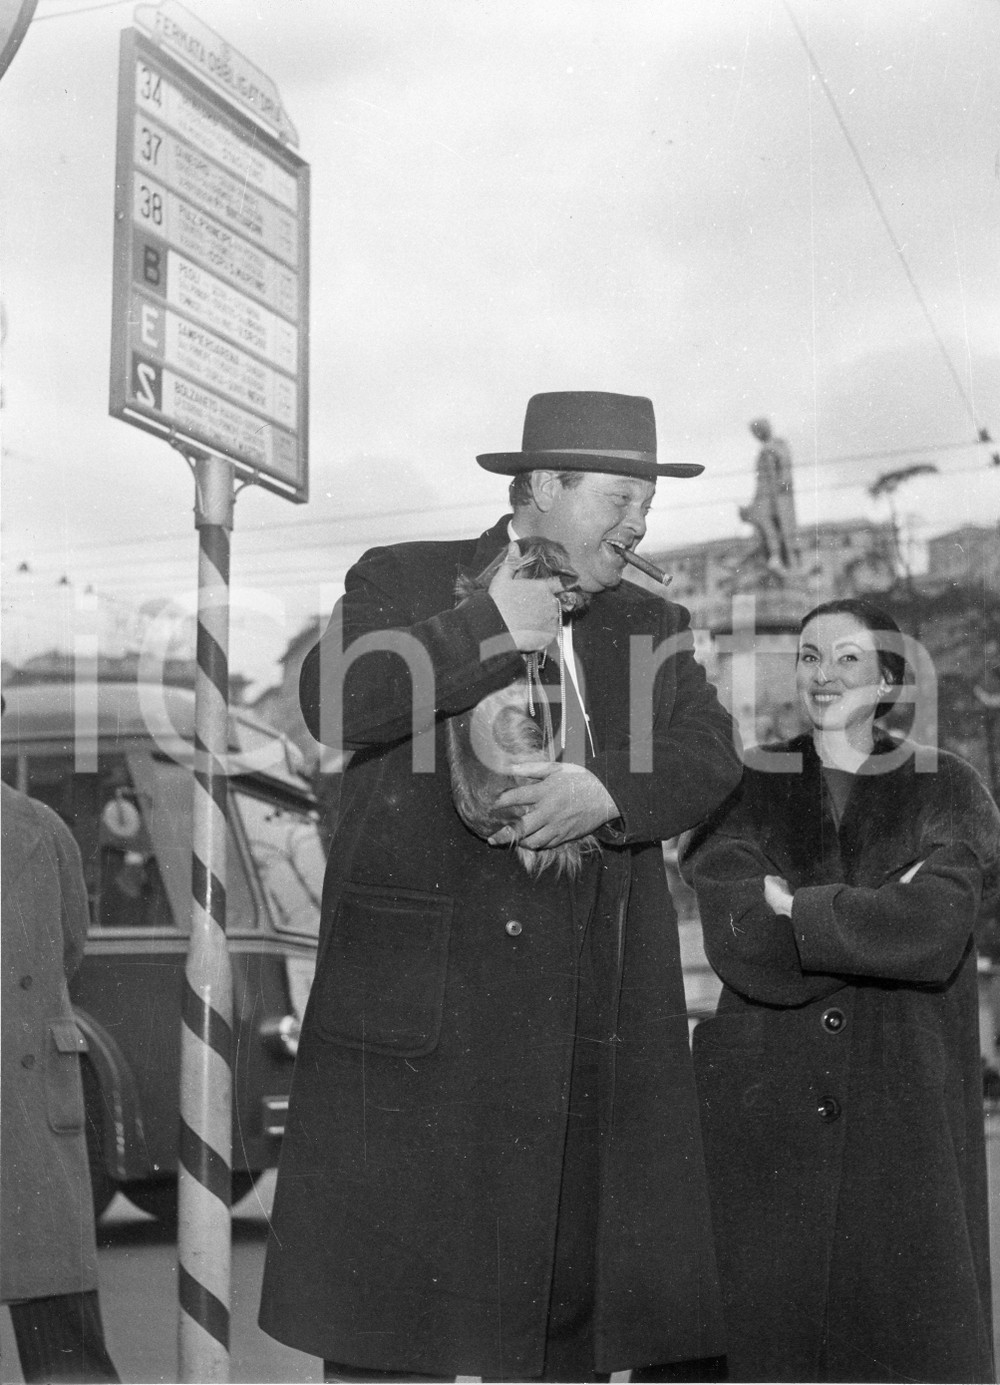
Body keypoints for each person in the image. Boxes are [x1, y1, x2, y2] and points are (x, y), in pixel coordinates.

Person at [259, 390, 742, 1382]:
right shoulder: (404, 578)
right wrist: (489, 626)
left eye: (646, 503)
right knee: (396, 1344)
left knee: (563, 1343)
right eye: (618, 498)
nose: (637, 524)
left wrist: (608, 791)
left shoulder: (652, 621)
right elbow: (334, 701)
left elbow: (711, 753)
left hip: (586, 1041)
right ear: (542, 486)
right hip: (424, 1038)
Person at [680, 597, 999, 1383]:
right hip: (768, 1120)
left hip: (903, 1116)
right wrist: (878, 911)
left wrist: (801, 908)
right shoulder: (744, 787)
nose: (823, 675)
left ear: (888, 680)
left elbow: (936, 929)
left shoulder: (946, 786)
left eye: (848, 658)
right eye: (809, 656)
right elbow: (743, 941)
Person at [1, 778, 121, 1384]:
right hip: (29, 1088)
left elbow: (67, 950)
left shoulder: (42, 830)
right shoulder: (42, 827)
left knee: (63, 1339)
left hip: (26, 1098)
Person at [738, 417, 796, 574]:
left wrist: (782, 482)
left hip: (775, 495)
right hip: (764, 493)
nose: (756, 435)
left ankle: (776, 556)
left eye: (757, 431)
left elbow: (784, 468)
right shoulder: (766, 449)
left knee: (770, 523)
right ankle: (771, 556)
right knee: (763, 523)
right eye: (754, 433)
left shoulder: (778, 445)